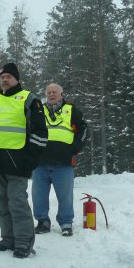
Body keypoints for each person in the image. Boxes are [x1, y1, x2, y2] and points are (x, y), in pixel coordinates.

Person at [0, 63, 48, 258]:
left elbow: (40, 132)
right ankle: (8, 238)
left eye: (9, 76)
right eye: (2, 76)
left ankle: (24, 241)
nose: (5, 79)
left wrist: (31, 158)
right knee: (1, 203)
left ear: (17, 79)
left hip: (19, 161)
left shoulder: (29, 99)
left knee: (17, 202)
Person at [32, 83, 87, 236]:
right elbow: (29, 130)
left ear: (62, 94)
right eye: (48, 92)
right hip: (40, 163)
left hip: (63, 163)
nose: (51, 94)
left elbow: (83, 131)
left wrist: (75, 148)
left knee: (65, 196)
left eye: (55, 92)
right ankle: (42, 221)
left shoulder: (71, 110)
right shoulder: (38, 111)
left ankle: (66, 223)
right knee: (39, 195)